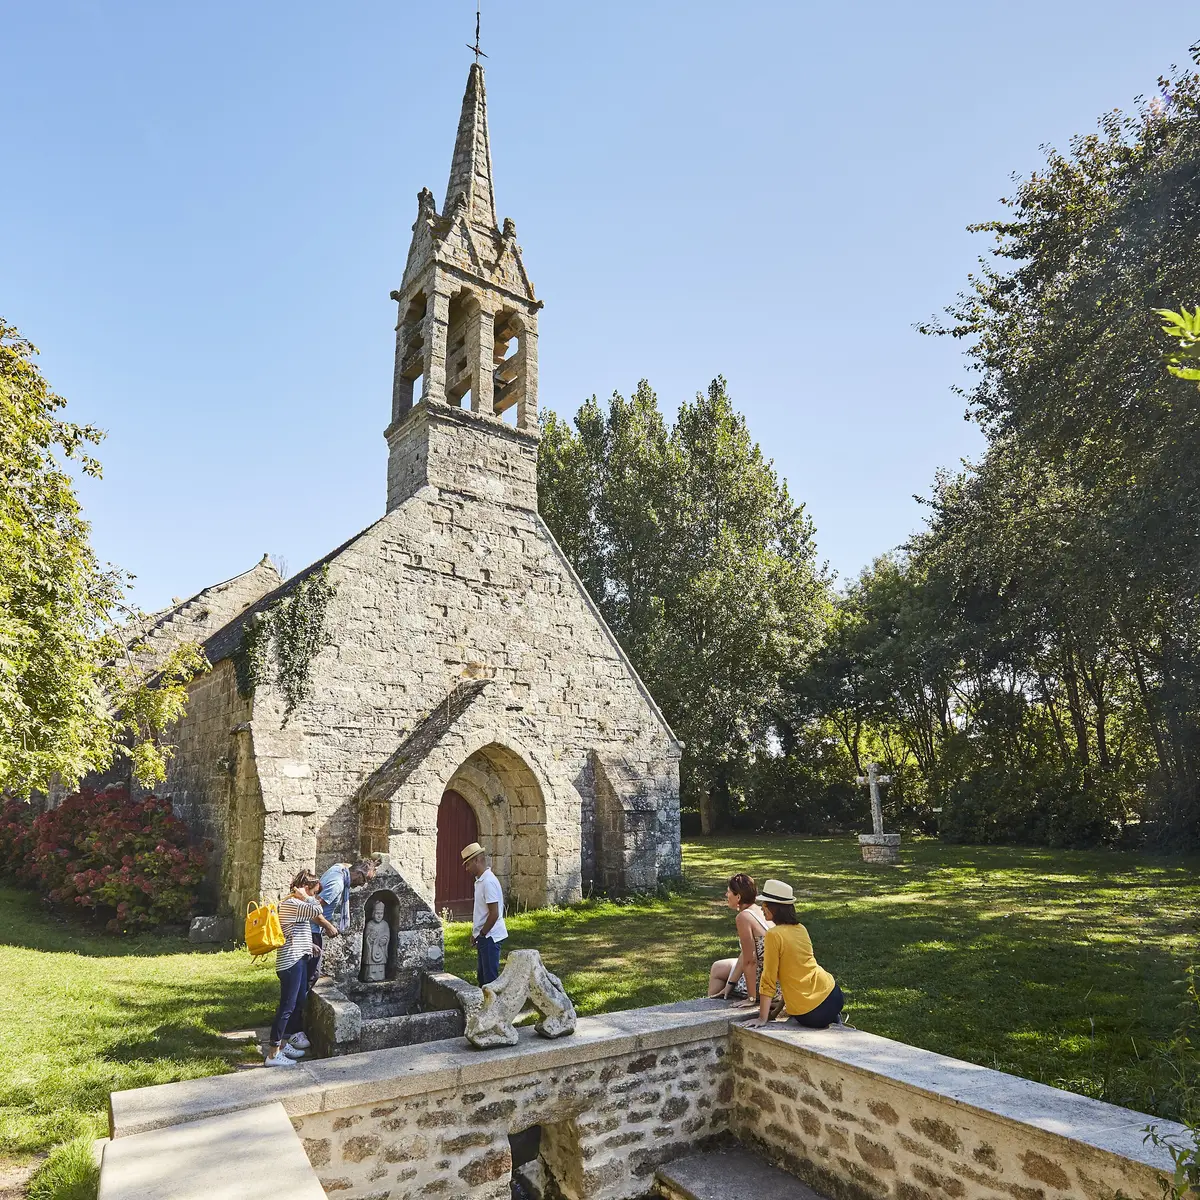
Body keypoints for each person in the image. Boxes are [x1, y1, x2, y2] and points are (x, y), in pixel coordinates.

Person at [744, 879, 846, 1030]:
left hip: (810, 1012)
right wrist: (775, 1012)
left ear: (774, 908)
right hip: (833, 994)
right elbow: (797, 973)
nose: (762, 908)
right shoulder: (801, 928)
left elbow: (768, 978)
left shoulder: (773, 935)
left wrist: (762, 1018)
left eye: (764, 904)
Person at [266, 869, 340, 1067]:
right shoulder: (293, 903)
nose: (315, 896)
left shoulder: (296, 905)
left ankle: (284, 1044)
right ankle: (272, 1054)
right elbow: (317, 911)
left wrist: (309, 945)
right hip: (290, 961)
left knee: (297, 1000)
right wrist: (306, 897)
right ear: (306, 888)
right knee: (287, 1007)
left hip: (296, 958)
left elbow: (296, 930)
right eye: (314, 892)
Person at [708, 873, 775, 1009]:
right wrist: (730, 984)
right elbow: (746, 953)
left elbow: (751, 961)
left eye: (728, 892)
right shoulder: (760, 911)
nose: (726, 895)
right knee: (718, 967)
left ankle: (711, 1011)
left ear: (738, 897)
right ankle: (721, 997)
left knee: (717, 970)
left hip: (764, 983)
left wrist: (751, 998)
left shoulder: (744, 917)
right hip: (776, 977)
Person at [311, 858, 377, 990]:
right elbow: (312, 909)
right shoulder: (337, 884)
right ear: (358, 873)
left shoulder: (339, 869)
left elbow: (347, 865)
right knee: (311, 974)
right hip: (312, 930)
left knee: (311, 972)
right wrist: (328, 926)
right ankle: (299, 1001)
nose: (363, 885)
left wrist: (369, 865)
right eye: (365, 880)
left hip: (314, 928)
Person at [462, 841, 507, 986]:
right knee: (482, 978)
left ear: (477, 860)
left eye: (468, 864)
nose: (467, 869)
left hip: (490, 936)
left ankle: (493, 1002)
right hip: (484, 935)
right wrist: (476, 934)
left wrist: (482, 934)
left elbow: (494, 914)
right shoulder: (480, 881)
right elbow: (483, 912)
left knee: (490, 981)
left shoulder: (488, 882)